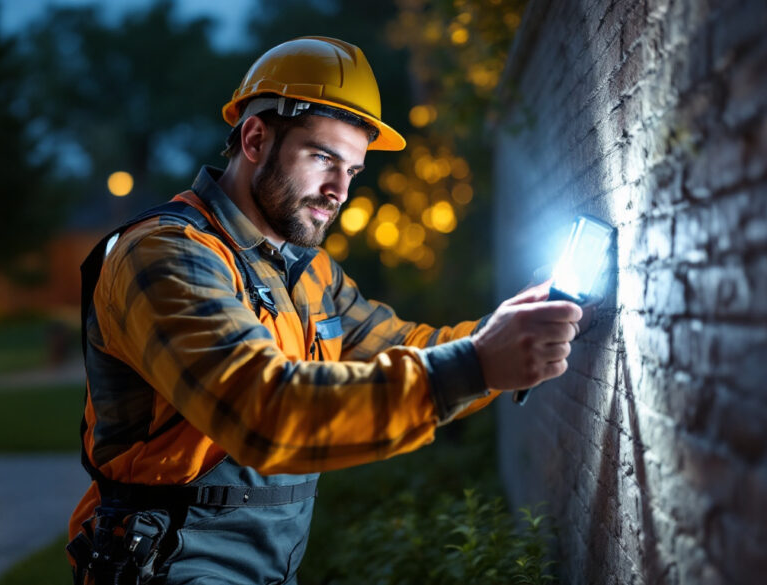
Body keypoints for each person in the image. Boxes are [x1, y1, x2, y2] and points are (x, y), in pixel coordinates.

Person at [66, 36, 582, 585]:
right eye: (322, 158)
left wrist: (518, 328)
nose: (339, 190)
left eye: (353, 170)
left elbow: (408, 347)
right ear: (255, 139)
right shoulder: (166, 255)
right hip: (165, 565)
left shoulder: (307, 271)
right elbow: (262, 411)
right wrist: (477, 364)